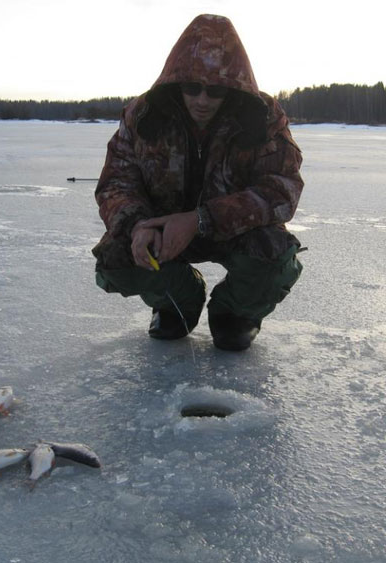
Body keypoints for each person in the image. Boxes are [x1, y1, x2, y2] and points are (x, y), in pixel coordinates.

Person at [91, 14, 304, 352]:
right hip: (163, 234)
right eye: (192, 88)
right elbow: (117, 181)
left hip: (234, 231)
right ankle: (177, 301)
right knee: (115, 257)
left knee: (274, 256)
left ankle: (234, 314)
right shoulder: (142, 115)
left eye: (215, 90)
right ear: (177, 82)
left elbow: (282, 190)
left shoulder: (263, 119)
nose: (202, 100)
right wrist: (137, 225)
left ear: (232, 87)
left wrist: (200, 219)